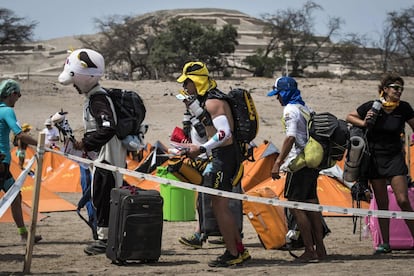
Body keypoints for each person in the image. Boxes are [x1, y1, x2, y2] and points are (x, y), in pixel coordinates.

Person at [176, 61, 250, 267]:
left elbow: (224, 134)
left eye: (187, 82)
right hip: (223, 155)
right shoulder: (209, 100)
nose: (184, 87)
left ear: (197, 82)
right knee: (219, 205)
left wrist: (201, 149)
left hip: (224, 157)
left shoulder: (212, 102)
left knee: (219, 206)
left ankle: (233, 253)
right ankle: (240, 250)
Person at [58, 48, 127, 255]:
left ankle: (105, 239)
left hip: (107, 158)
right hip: (103, 157)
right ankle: (105, 237)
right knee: (101, 195)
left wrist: (85, 144)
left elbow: (107, 128)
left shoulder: (98, 99)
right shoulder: (95, 98)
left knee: (103, 196)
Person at [346, 72, 414, 254]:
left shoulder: (404, 108)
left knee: (402, 200)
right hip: (374, 158)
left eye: (401, 88)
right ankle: (385, 244)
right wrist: (364, 122)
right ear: (385, 89)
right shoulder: (372, 106)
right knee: (382, 202)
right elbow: (349, 117)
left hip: (395, 157)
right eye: (395, 88)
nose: (399, 91)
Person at [268, 76, 327, 262]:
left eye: (278, 94)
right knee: (311, 205)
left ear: (285, 93)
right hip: (313, 162)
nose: (277, 98)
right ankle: (321, 248)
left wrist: (278, 162)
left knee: (295, 206)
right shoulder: (305, 107)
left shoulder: (290, 110)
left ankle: (309, 249)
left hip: (299, 164)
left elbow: (290, 137)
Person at [0, 79, 42, 243]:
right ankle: (24, 234)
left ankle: (24, 234)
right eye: (18, 94)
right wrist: (41, 143)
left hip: (4, 163)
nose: (19, 97)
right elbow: (19, 134)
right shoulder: (7, 111)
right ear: (11, 94)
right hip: (1, 162)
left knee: (15, 196)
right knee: (14, 196)